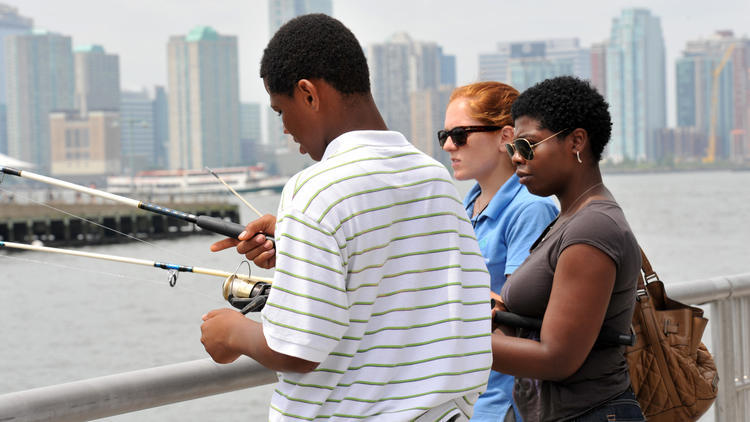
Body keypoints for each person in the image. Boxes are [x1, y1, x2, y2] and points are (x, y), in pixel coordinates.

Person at [200, 14, 492, 421]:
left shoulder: (312, 190)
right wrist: (295, 246)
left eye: (280, 111)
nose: (285, 128)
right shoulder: (433, 177)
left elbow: (299, 348)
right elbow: (407, 284)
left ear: (308, 94)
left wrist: (232, 333)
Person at [493, 76, 644, 422]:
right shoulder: (569, 218)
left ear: (576, 141)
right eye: (512, 147)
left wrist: (450, 339)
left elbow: (557, 358)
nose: (517, 158)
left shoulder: (593, 227)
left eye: (528, 146)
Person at [440, 82, 557, 422]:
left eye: (460, 134)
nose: (449, 145)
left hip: (507, 402)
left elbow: (518, 312)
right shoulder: (467, 206)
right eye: (444, 135)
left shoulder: (530, 209)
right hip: (468, 396)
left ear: (506, 136)